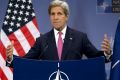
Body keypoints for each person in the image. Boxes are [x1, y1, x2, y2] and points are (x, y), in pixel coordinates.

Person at [6, 0, 111, 66]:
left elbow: (96, 58)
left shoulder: (80, 37)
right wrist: (11, 58)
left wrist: (106, 53)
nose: (55, 17)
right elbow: (26, 61)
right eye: (52, 14)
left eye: (59, 14)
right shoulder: (42, 41)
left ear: (66, 16)